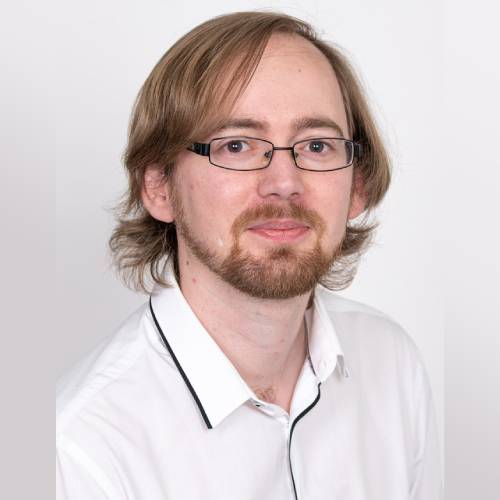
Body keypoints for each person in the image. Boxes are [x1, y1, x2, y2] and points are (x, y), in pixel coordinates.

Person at [56, 11, 442, 500]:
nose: (284, 183)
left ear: (357, 186)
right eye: (236, 145)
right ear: (159, 187)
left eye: (316, 145)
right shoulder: (83, 449)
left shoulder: (392, 363)